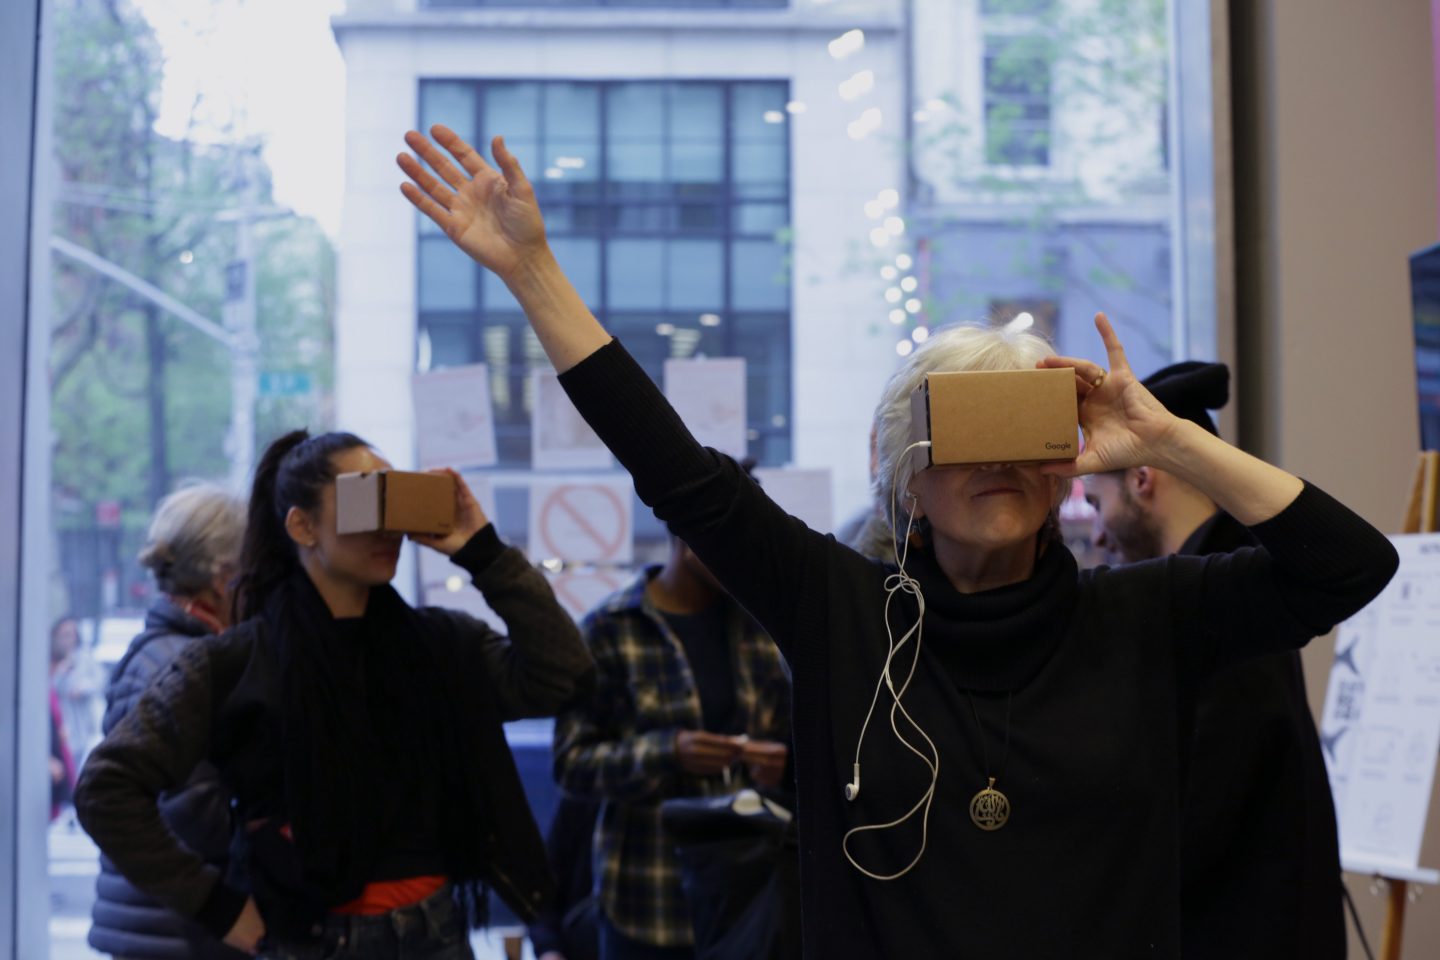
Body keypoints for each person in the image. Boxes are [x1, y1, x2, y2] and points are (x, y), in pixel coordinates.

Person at [395, 125, 1398, 957]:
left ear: (1066, 465)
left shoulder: (1152, 613)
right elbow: (679, 475)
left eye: (1025, 430)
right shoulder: (843, 613)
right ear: (905, 468)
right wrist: (533, 273)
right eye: (961, 431)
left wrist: (1170, 438)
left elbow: (1354, 563)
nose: (993, 462)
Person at [76, 430, 595, 960]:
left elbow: (564, 676)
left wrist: (484, 552)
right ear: (302, 525)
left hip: (436, 932)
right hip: (310, 939)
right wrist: (218, 907)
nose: (385, 524)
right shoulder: (234, 663)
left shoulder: (442, 645)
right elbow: (106, 788)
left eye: (393, 497)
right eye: (364, 498)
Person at [1083, 361, 1345, 959]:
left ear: (1144, 480)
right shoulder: (1234, 578)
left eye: (1098, 504)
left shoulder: (1224, 608)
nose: (1097, 535)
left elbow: (1197, 823)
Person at [553, 528, 792, 960]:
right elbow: (571, 764)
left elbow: (795, 740)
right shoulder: (610, 627)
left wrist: (783, 764)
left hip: (747, 896)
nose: (743, 561)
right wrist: (669, 752)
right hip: (649, 898)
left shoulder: (761, 626)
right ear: (684, 535)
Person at [87, 482, 249, 960]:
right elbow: (197, 814)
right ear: (224, 578)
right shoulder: (180, 663)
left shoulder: (168, 652)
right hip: (176, 936)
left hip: (165, 928)